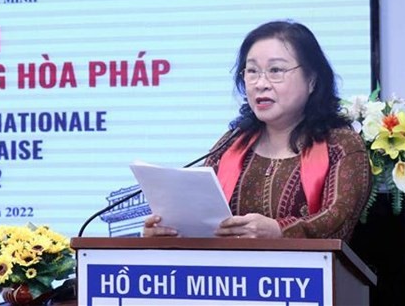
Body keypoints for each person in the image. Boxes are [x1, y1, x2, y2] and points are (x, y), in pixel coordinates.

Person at [143, 20, 371, 240]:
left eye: (275, 70)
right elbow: (202, 217)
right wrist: (173, 230)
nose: (260, 83)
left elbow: (338, 220)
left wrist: (280, 231)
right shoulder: (232, 144)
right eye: (252, 71)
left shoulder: (341, 144)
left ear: (311, 80)